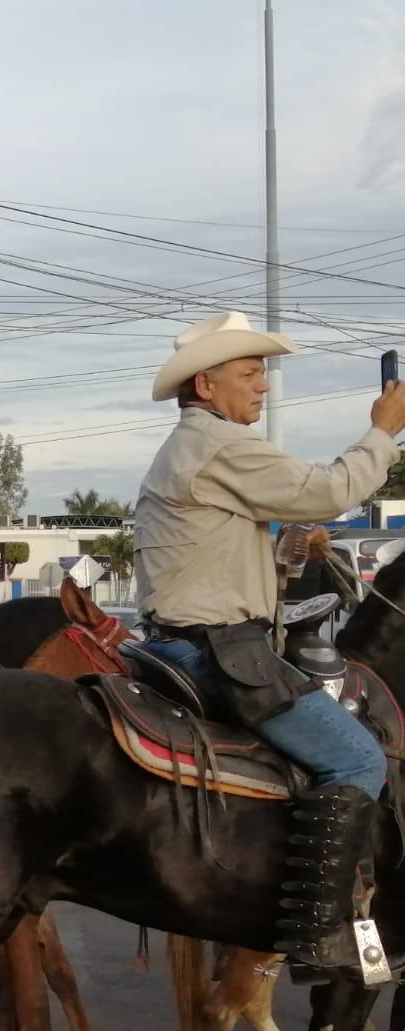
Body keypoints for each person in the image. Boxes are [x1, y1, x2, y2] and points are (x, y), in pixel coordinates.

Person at [135, 311, 405, 972]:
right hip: (220, 652)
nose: (263, 387)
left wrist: (285, 553)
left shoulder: (192, 448)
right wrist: (385, 429)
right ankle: (319, 934)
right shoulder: (221, 445)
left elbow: (220, 561)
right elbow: (331, 490)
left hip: (179, 640)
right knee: (360, 758)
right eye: (250, 372)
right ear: (206, 384)